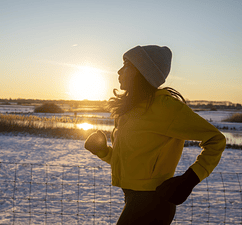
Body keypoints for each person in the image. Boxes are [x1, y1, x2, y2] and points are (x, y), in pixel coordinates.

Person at [84, 45, 226, 224]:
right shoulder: (130, 111)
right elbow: (134, 162)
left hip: (155, 202)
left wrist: (190, 179)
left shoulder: (166, 108)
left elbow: (216, 139)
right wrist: (103, 151)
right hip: (133, 199)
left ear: (142, 71)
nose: (119, 71)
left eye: (126, 65)